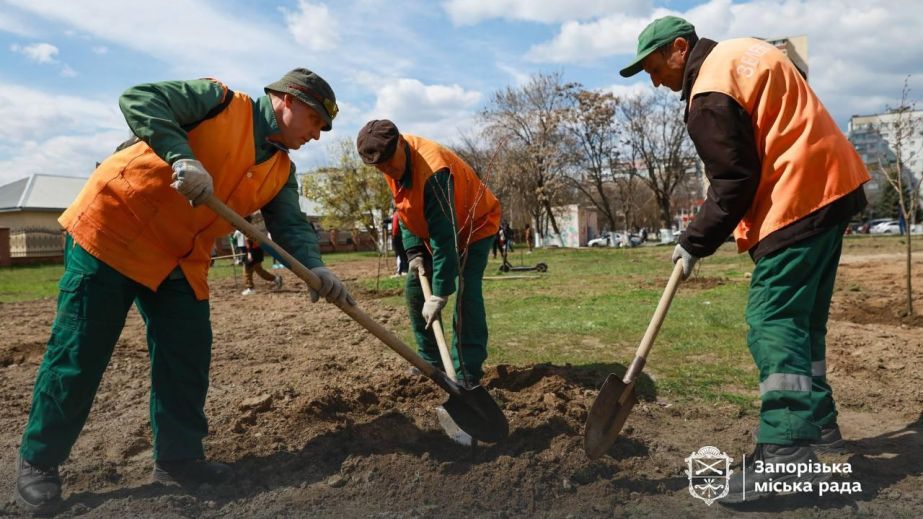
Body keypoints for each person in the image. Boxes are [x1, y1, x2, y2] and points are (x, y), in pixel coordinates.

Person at [15, 68, 353, 513]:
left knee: (186, 355)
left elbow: (289, 224)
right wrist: (181, 156)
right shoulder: (217, 102)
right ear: (287, 101)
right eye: (315, 122)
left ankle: (178, 459)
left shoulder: (280, 169)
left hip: (179, 259)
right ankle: (39, 461)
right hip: (113, 231)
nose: (317, 135)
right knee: (79, 351)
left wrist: (315, 266)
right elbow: (138, 99)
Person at [621, 16, 869, 503]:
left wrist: (694, 241)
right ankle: (818, 428)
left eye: (653, 68)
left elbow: (733, 182)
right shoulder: (743, 54)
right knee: (803, 323)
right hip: (833, 187)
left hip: (796, 198)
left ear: (678, 49)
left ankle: (789, 453)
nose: (654, 81)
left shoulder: (709, 92)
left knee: (772, 318)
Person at [356, 119, 500, 389]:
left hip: (475, 225)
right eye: (381, 168)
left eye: (389, 163)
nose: (388, 170)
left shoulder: (433, 170)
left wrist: (440, 292)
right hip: (437, 231)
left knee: (465, 295)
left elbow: (445, 236)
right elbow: (406, 207)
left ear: (401, 142)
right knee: (414, 289)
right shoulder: (390, 163)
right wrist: (413, 251)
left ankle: (466, 371)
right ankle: (431, 362)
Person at [240, 215, 283, 296]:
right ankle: (276, 279)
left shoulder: (246, 228)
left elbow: (249, 242)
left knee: (247, 270)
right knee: (259, 270)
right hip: (257, 251)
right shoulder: (251, 227)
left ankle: (250, 288)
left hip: (253, 251)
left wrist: (249, 253)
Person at [391, 211, 409, 276]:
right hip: (403, 236)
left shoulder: (396, 213)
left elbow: (395, 227)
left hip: (397, 237)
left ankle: (401, 271)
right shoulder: (402, 213)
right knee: (403, 254)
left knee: (399, 254)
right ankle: (405, 269)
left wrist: (394, 236)